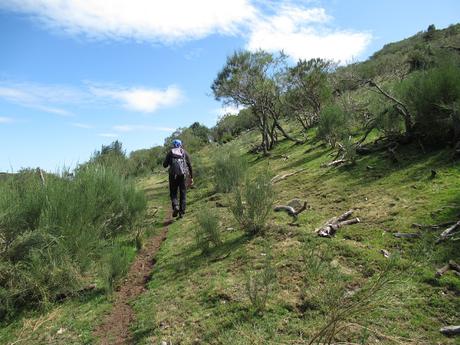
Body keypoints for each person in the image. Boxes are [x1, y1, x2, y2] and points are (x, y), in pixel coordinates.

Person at [163, 139, 193, 218]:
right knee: (183, 193)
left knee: (173, 192)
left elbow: (164, 165)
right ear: (180, 145)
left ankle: (175, 206)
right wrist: (191, 177)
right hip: (183, 175)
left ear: (173, 145)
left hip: (173, 175)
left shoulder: (170, 153)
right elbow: (189, 165)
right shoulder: (184, 153)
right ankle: (181, 213)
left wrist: (170, 162)